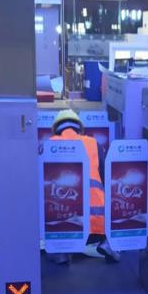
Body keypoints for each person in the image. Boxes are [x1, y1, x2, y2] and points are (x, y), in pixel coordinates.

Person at [49, 109, 120, 264]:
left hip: (63, 221)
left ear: (57, 129)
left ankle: (60, 252)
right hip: (96, 223)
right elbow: (106, 178)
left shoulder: (48, 145)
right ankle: (108, 244)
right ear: (78, 127)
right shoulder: (93, 143)